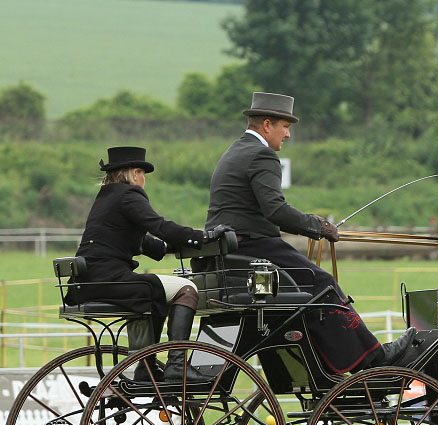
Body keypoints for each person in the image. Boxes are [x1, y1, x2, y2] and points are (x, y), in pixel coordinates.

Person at [205, 92, 418, 373]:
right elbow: (275, 210)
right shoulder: (261, 155)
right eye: (285, 127)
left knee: (314, 284)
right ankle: (372, 357)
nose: (288, 135)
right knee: (323, 284)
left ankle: (326, 361)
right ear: (267, 124)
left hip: (232, 251)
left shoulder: (235, 150)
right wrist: (318, 226)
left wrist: (312, 224)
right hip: (253, 248)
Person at [69, 146, 228, 382]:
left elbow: (140, 240)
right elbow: (159, 226)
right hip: (110, 279)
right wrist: (201, 238)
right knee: (186, 289)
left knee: (151, 289)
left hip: (88, 280)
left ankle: (146, 366)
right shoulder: (129, 195)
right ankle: (177, 365)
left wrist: (170, 247)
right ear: (134, 174)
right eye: (143, 174)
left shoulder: (106, 197)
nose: (144, 180)